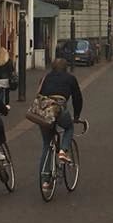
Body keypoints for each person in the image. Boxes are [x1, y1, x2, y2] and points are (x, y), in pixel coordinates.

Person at [38, 58, 83, 189]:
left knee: (46, 144)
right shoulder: (70, 78)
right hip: (59, 109)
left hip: (44, 112)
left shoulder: (45, 78)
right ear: (66, 68)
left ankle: (45, 181)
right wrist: (76, 116)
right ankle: (63, 150)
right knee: (69, 127)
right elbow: (77, 98)